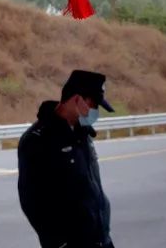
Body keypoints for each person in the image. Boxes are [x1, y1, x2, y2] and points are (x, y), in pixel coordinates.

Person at [18, 70, 116, 248]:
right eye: (93, 104)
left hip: (101, 240)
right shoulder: (38, 139)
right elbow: (32, 201)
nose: (96, 111)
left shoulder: (82, 134)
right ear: (77, 99)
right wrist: (59, 243)